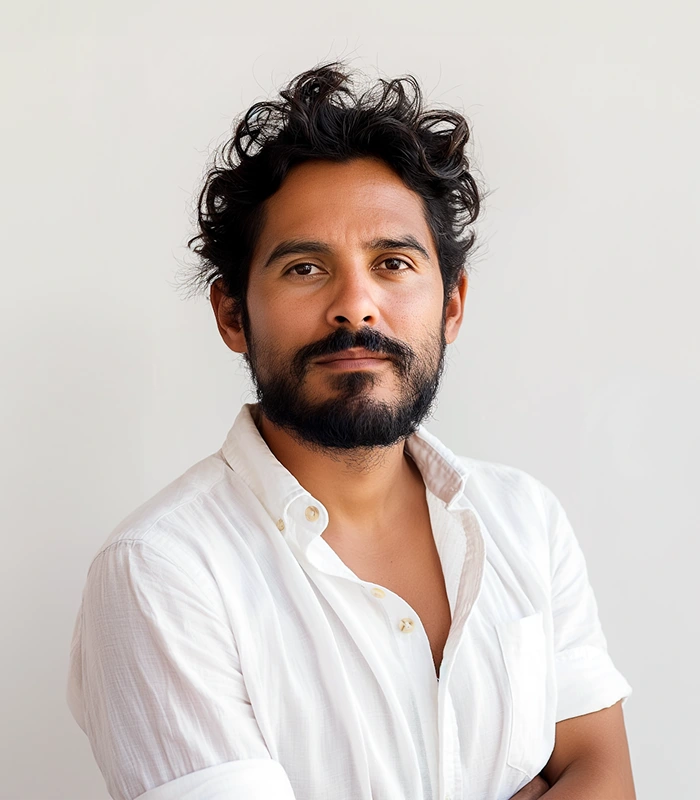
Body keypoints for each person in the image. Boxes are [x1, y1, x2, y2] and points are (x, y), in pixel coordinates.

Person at [66, 63, 635, 800]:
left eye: (393, 262)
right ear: (233, 315)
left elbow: (607, 774)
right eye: (305, 267)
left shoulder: (526, 520)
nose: (356, 307)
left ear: (452, 305)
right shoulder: (161, 573)